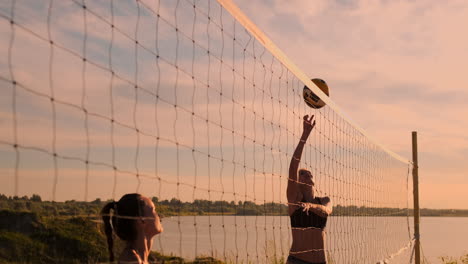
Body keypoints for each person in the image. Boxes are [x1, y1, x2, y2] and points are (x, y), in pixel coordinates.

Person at [287, 115, 333, 264]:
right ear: (298, 181)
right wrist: (304, 135)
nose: (306, 174)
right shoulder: (294, 200)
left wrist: (311, 205)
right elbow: (293, 166)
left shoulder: (325, 200)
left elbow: (326, 211)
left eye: (309, 173)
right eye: (302, 173)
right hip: (297, 261)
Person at [101, 193, 163, 264]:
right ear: (141, 220)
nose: (159, 215)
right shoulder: (130, 259)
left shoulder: (139, 258)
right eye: (154, 210)